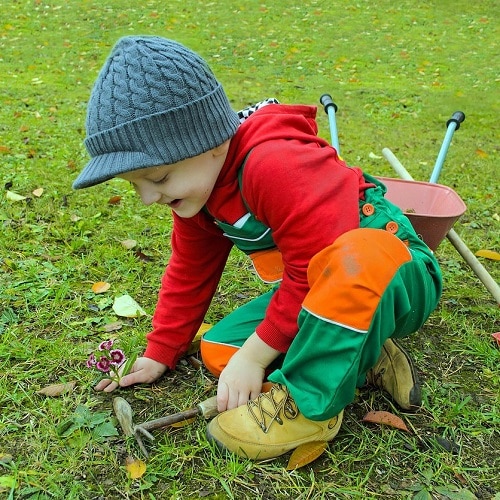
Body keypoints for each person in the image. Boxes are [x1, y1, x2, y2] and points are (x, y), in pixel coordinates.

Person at [73, 35, 442, 460]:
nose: (147, 197)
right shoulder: (199, 195)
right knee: (221, 352)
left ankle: (310, 408)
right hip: (321, 295)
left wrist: (256, 356)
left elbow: (311, 266)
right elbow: (190, 271)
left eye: (157, 178)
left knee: (355, 257)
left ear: (208, 142)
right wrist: (161, 351)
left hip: (395, 272)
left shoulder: (273, 163)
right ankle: (363, 350)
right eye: (135, 185)